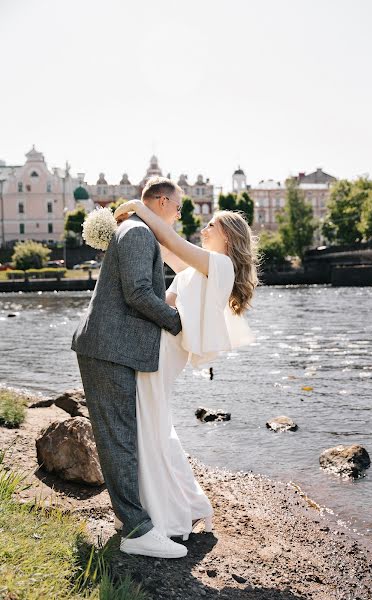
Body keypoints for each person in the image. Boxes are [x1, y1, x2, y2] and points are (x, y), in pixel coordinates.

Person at [113, 185, 258, 542]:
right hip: (159, 348)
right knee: (156, 427)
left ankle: (166, 516)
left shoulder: (219, 265)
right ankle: (190, 505)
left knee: (150, 428)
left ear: (227, 236)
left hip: (164, 352)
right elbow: (162, 247)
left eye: (211, 225)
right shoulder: (199, 269)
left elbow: (172, 241)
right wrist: (118, 228)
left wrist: (136, 207)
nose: (204, 228)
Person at [71, 177, 188, 559]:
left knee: (120, 435)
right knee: (118, 439)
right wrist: (176, 320)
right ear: (160, 201)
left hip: (111, 348)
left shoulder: (135, 230)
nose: (179, 214)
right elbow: (138, 292)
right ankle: (137, 530)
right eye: (177, 206)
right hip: (109, 349)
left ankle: (129, 519)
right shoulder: (138, 233)